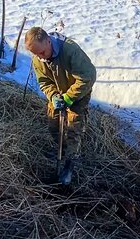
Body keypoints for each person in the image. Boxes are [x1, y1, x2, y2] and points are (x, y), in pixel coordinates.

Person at [25, 27, 96, 185]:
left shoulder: (70, 51)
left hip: (78, 94)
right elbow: (44, 81)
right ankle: (61, 152)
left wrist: (69, 98)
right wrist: (53, 95)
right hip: (58, 94)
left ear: (48, 41)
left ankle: (69, 165)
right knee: (54, 126)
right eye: (35, 54)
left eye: (42, 53)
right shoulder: (38, 58)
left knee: (73, 130)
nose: (39, 58)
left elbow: (88, 76)